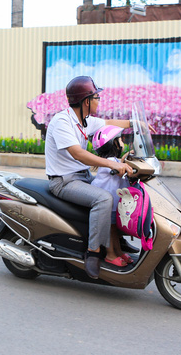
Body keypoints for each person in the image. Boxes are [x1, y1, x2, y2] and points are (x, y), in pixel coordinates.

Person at [44, 76, 134, 279]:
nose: (98, 101)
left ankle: (115, 241)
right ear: (86, 101)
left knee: (115, 191)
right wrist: (113, 163)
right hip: (64, 181)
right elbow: (78, 154)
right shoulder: (62, 121)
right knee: (103, 198)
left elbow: (109, 123)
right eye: (97, 97)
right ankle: (93, 253)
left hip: (82, 177)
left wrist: (136, 124)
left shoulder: (84, 121)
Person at [90, 125, 136, 268]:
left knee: (115, 229)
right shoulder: (109, 164)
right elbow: (120, 169)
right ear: (113, 144)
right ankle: (110, 254)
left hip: (114, 204)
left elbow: (120, 164)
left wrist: (126, 157)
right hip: (107, 205)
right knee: (110, 230)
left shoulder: (112, 161)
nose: (122, 142)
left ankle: (118, 251)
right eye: (120, 140)